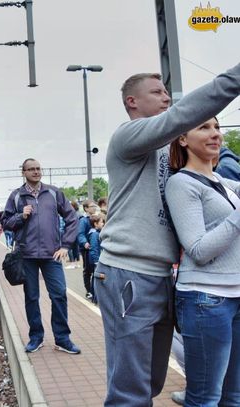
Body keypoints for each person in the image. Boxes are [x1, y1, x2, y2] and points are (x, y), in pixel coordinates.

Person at [94, 64, 240, 406]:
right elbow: (183, 116)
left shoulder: (169, 150)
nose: (166, 98)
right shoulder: (128, 136)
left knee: (151, 383)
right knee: (129, 392)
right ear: (132, 101)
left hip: (161, 277)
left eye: (166, 92)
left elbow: (212, 161)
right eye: (157, 92)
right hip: (127, 271)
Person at [166, 117, 240, 406]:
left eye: (217, 128)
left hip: (235, 296)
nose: (215, 134)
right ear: (183, 139)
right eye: (204, 128)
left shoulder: (223, 182)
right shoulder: (181, 183)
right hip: (206, 300)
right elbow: (198, 249)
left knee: (233, 397)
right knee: (205, 399)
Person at [2, 158, 80, 354]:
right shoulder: (16, 196)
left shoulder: (54, 193)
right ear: (24, 172)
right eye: (31, 169)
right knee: (31, 297)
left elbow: (72, 218)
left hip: (51, 254)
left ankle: (62, 339)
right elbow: (5, 222)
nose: (36, 172)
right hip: (26, 255)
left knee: (59, 294)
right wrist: (21, 216)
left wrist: (66, 246)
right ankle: (36, 337)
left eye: (38, 168)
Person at [78, 200, 98, 299]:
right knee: (88, 270)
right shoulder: (83, 220)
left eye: (95, 205)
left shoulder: (96, 217)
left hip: (95, 248)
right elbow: (80, 233)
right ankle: (89, 291)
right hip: (86, 249)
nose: (94, 207)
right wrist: (84, 242)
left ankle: (95, 290)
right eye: (92, 206)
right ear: (86, 208)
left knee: (95, 270)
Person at [87, 213, 105, 302]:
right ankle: (95, 298)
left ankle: (95, 297)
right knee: (96, 279)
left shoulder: (96, 233)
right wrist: (97, 261)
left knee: (95, 278)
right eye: (102, 222)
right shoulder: (94, 234)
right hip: (96, 261)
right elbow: (94, 249)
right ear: (95, 224)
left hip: (97, 260)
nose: (103, 224)